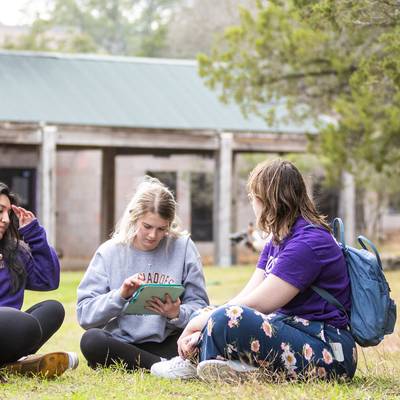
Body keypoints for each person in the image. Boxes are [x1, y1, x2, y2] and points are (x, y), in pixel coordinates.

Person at [151, 159, 357, 381]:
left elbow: (261, 303)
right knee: (210, 312)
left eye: (253, 198)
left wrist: (199, 324)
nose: (252, 204)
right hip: (292, 333)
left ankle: (202, 364)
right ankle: (227, 366)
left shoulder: (309, 242)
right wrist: (203, 318)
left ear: (269, 200)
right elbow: (247, 295)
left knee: (226, 318)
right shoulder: (278, 239)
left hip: (328, 350)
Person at [77, 176, 209, 371]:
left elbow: (201, 309)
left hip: (170, 341)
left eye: (161, 229)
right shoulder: (109, 252)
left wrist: (177, 313)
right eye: (147, 226)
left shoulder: (184, 247)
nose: (153, 235)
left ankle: (154, 364)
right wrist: (120, 295)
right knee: (91, 341)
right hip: (123, 343)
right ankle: (163, 367)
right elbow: (85, 315)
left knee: (205, 340)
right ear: (134, 217)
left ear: (170, 224)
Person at [0, 182, 78, 379]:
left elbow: (48, 280)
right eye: (0, 211)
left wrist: (34, 234)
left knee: (52, 309)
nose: (5, 220)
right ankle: (18, 363)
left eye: (7, 213)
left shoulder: (14, 253)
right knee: (24, 324)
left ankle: (9, 364)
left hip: (9, 330)